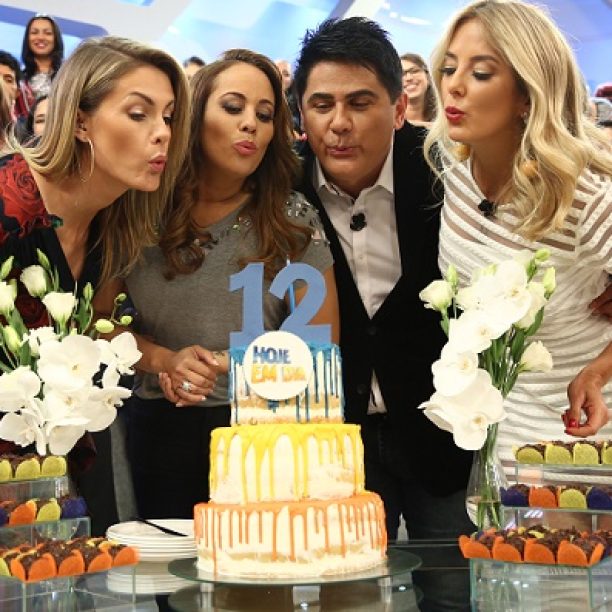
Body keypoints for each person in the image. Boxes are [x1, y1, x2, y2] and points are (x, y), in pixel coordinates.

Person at [95, 48, 339, 520]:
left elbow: (322, 342)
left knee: (256, 566)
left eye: (264, 115)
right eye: (232, 107)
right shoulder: (139, 209)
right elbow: (102, 323)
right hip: (160, 430)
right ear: (193, 115)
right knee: (171, 565)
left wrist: (226, 364)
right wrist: (165, 361)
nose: (250, 124)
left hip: (266, 432)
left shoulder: (292, 218)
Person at [0, 35, 191, 534]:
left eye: (169, 117)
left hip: (56, 464)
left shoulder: (115, 222)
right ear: (80, 121)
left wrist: (165, 361)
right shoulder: (8, 201)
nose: (162, 133)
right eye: (139, 114)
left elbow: (99, 327)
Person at [293, 17, 473, 544]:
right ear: (301, 113)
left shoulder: (450, 169)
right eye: (321, 105)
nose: (339, 123)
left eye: (360, 102)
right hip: (333, 436)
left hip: (441, 429)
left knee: (452, 579)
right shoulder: (281, 185)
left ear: (398, 109)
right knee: (349, 582)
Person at [423, 0, 612, 474]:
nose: (454, 85)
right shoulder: (454, 167)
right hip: (501, 433)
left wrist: (598, 372)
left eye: (480, 73)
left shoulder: (581, 196)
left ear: (528, 94)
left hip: (586, 435)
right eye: (449, 68)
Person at [21, 14, 64, 103]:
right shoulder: (19, 78)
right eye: (34, 32)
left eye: (47, 33)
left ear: (56, 38)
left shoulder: (67, 75)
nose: (40, 37)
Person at [400, 52, 436, 126]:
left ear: (428, 77)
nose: (409, 78)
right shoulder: (388, 123)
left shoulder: (444, 117)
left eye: (414, 71)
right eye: (402, 74)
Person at [275, 59, 302, 138]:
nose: (281, 77)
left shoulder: (299, 100)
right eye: (277, 72)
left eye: (286, 74)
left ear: (292, 80)